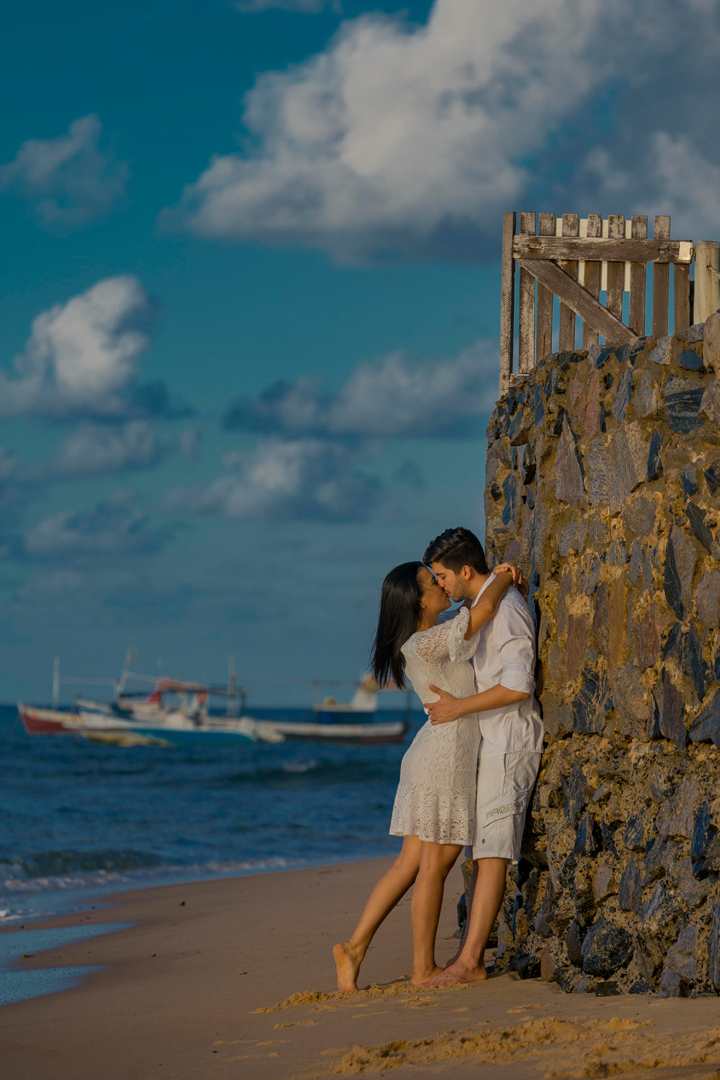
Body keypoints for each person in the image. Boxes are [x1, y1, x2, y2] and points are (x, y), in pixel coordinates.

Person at [333, 558, 521, 991]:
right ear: (419, 600)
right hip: (444, 759)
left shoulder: (434, 636)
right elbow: (484, 608)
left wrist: (489, 586)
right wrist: (504, 577)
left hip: (434, 754)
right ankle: (422, 969)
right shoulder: (424, 644)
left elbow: (472, 613)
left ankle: (354, 948)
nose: (440, 584)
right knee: (434, 867)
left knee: (410, 865)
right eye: (431, 581)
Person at [421, 527, 543, 986]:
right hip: (491, 742)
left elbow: (518, 685)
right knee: (483, 849)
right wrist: (504, 576)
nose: (440, 585)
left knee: (492, 851)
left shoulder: (506, 610)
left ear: (466, 571)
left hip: (509, 741)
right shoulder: (483, 606)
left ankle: (471, 962)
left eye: (442, 576)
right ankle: (468, 956)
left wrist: (458, 708)